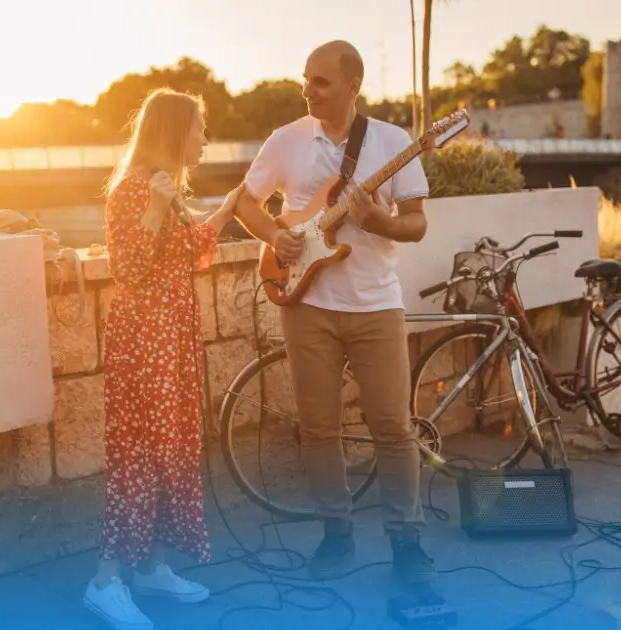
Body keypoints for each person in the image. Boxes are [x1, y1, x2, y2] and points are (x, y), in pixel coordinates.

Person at [231, 41, 436, 585]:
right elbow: (244, 202)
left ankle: (407, 542)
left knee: (394, 428)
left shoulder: (393, 143)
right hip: (307, 304)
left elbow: (416, 223)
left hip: (375, 304)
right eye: (305, 79)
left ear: (353, 85)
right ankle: (335, 533)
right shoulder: (286, 141)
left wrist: (379, 222)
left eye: (320, 81)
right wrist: (276, 235)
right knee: (318, 429)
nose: (307, 90)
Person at [84, 87, 241, 630]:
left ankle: (150, 566)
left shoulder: (166, 192)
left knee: (170, 451)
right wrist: (153, 206)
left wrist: (226, 210)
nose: (205, 136)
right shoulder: (133, 191)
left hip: (169, 341)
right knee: (141, 458)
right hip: (144, 344)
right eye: (199, 127)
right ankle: (104, 581)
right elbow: (126, 267)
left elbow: (191, 251)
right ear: (174, 131)